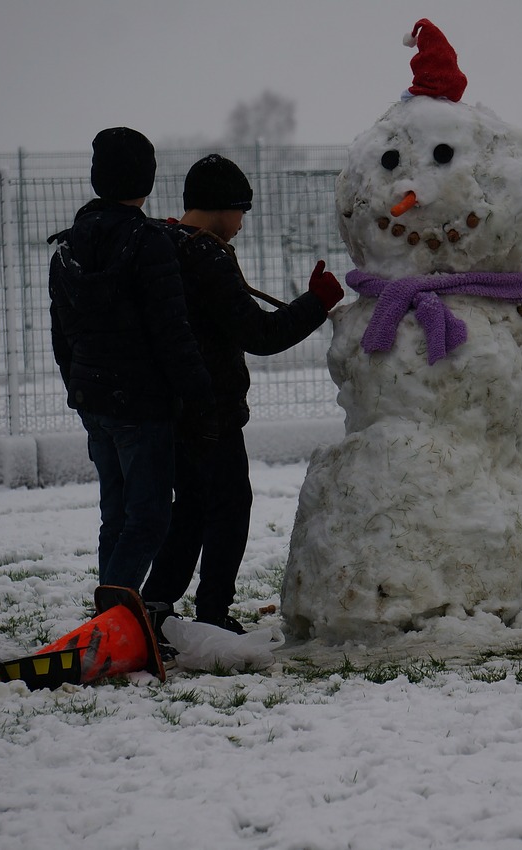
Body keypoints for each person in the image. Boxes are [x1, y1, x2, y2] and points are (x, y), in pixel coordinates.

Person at [142, 154, 344, 633]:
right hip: (211, 410)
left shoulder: (163, 244)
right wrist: (317, 303)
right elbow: (259, 333)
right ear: (221, 207)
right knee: (229, 509)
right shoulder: (206, 254)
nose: (240, 224)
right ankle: (211, 611)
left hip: (168, 406)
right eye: (240, 212)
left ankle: (156, 605)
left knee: (188, 509)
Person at [48, 127, 215, 594]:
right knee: (149, 518)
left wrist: (80, 387)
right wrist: (200, 396)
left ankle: (110, 613)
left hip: (94, 400)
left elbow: (63, 335)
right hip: (141, 406)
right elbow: (172, 332)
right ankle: (112, 620)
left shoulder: (68, 247)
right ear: (148, 178)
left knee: (116, 515)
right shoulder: (149, 243)